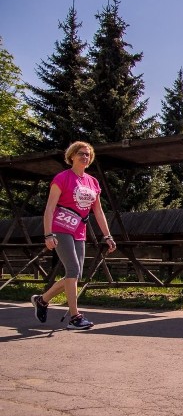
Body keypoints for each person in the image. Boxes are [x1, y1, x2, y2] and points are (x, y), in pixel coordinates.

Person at [31, 141, 117, 330]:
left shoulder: (92, 182)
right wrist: (48, 234)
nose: (85, 157)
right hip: (60, 228)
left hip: (79, 230)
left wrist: (108, 236)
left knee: (75, 273)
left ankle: (42, 300)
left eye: (88, 155)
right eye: (81, 153)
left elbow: (98, 212)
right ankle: (75, 317)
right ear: (71, 156)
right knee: (72, 270)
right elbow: (49, 208)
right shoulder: (62, 178)